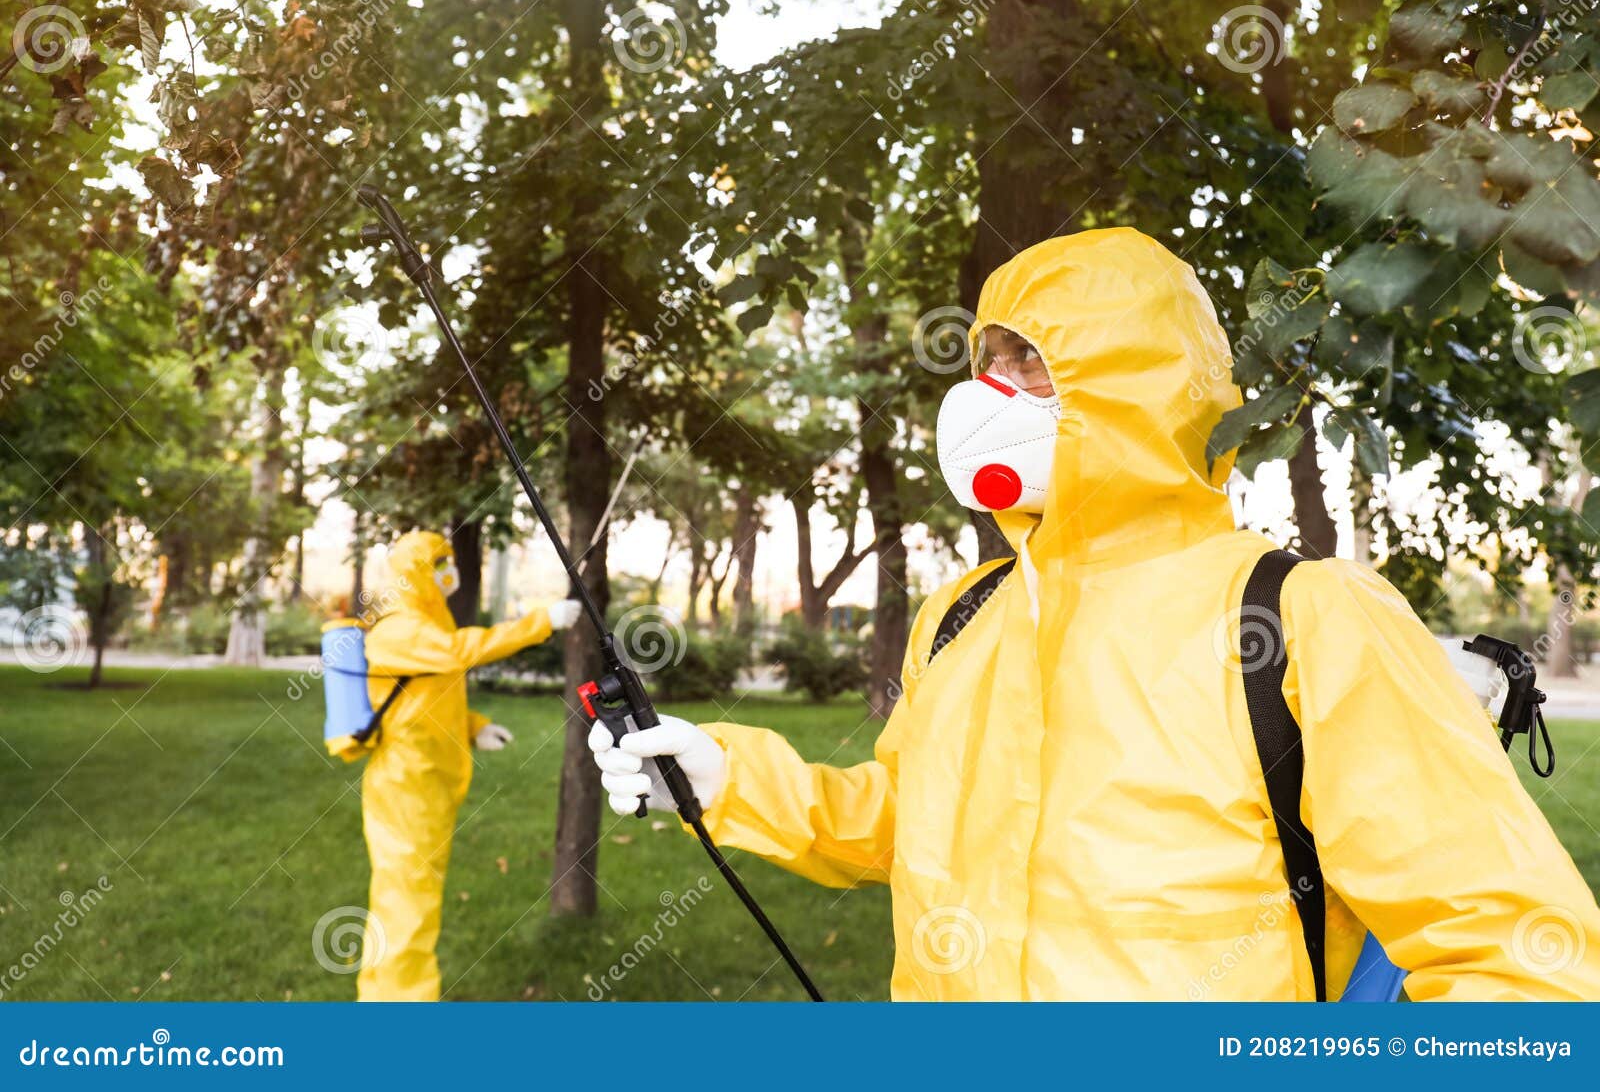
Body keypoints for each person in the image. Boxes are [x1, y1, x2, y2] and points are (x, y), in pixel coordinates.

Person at [589, 228, 1600, 1000]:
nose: (996, 389)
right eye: (988, 359)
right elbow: (907, 822)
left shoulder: (1301, 614)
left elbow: (1511, 950)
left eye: (1033, 358)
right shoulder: (964, 612)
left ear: (1138, 385)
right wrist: (726, 775)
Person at [358, 529, 578, 1001]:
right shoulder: (399, 629)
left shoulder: (423, 626)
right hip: (406, 788)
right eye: (440, 563)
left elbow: (425, 701)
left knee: (409, 898)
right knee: (408, 903)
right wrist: (542, 621)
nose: (450, 572)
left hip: (426, 785)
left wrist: (474, 727)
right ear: (418, 572)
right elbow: (461, 652)